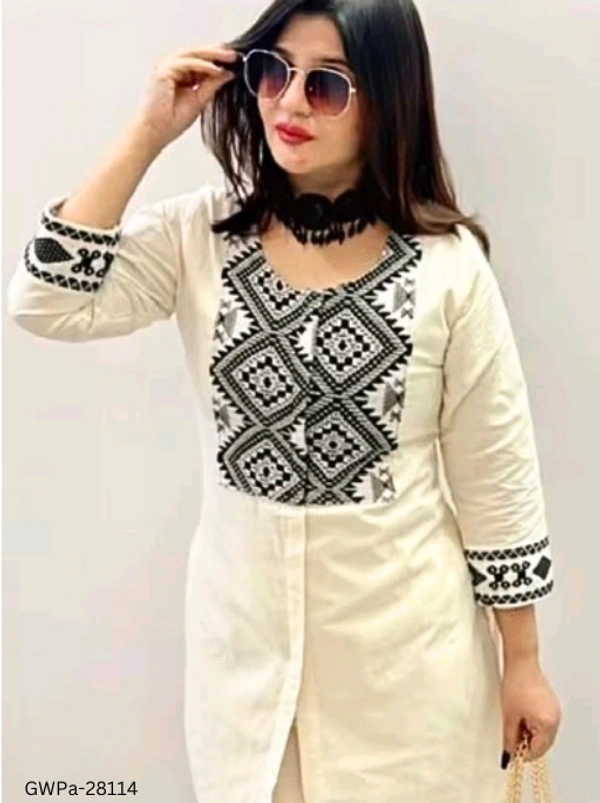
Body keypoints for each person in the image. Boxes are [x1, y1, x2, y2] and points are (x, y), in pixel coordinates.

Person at [7, 0, 562, 801]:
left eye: (328, 85)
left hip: (411, 680)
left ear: (388, 99)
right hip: (248, 684)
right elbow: (44, 301)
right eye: (274, 72)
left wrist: (525, 661)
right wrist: (148, 134)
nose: (292, 102)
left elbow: (495, 472)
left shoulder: (447, 269)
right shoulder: (201, 238)